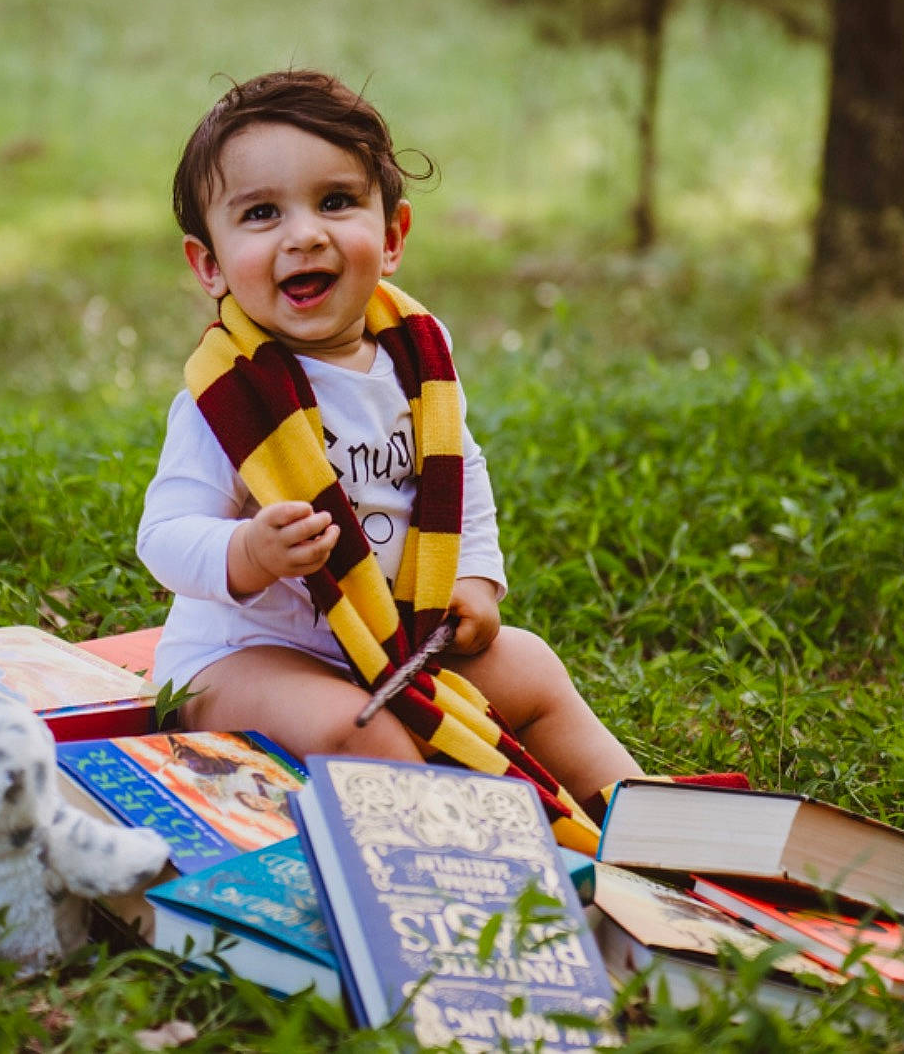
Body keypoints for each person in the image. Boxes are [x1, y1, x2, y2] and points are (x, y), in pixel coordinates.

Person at [136, 70, 643, 811]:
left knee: (530, 668)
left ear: (393, 235)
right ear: (209, 264)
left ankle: (654, 820)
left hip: (393, 644)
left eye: (336, 201)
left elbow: (460, 475)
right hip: (246, 658)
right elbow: (163, 535)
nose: (305, 234)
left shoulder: (415, 362)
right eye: (262, 213)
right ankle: (464, 846)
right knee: (358, 729)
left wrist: (476, 577)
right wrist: (248, 552)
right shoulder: (228, 398)